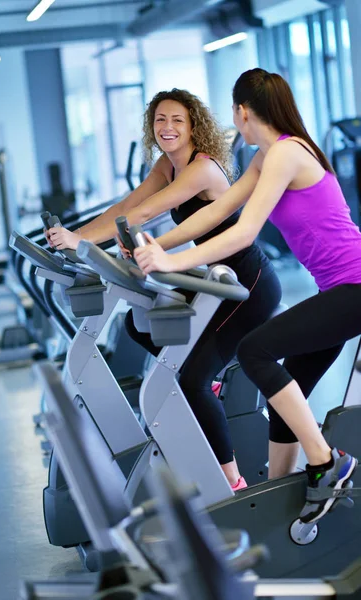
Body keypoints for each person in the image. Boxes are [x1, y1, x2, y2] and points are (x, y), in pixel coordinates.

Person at [134, 69, 359, 524]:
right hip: (337, 290)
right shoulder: (266, 156)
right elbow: (217, 211)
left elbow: (244, 231)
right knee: (283, 397)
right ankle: (279, 503)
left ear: (241, 111)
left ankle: (327, 462)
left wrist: (172, 262)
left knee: (253, 350)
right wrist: (161, 246)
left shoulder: (287, 154)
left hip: (353, 288)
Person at [47, 88, 281, 490]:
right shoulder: (165, 165)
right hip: (212, 280)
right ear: (151, 127)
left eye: (177, 120)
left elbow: (146, 213)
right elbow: (127, 206)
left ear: (194, 127)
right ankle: (209, 382)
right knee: (139, 326)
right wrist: (74, 238)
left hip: (247, 283)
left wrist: (84, 241)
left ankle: (231, 481)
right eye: (160, 120)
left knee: (188, 378)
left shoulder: (202, 168)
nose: (167, 127)